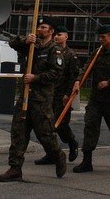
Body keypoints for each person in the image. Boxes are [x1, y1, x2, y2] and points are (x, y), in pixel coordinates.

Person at [0, 17, 66, 182]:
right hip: (25, 97)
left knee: (46, 134)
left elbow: (56, 73)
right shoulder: (32, 46)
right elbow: (13, 43)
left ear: (51, 31)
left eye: (43, 27)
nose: (40, 29)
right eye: (39, 27)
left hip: (41, 100)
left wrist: (35, 77)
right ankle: (15, 168)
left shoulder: (54, 50)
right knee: (18, 133)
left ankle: (58, 155)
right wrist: (25, 40)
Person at [72, 24, 110, 173]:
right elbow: (86, 68)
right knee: (90, 126)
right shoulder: (97, 53)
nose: (100, 40)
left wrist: (109, 82)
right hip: (96, 99)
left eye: (103, 37)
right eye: (99, 37)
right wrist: (78, 80)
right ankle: (87, 161)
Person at [35, 27, 81, 164]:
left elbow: (73, 76)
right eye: (55, 35)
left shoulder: (70, 54)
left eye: (59, 35)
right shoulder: (51, 51)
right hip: (49, 93)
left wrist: (68, 94)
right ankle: (51, 153)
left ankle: (72, 142)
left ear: (66, 37)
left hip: (62, 94)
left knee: (60, 124)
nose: (56, 37)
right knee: (47, 125)